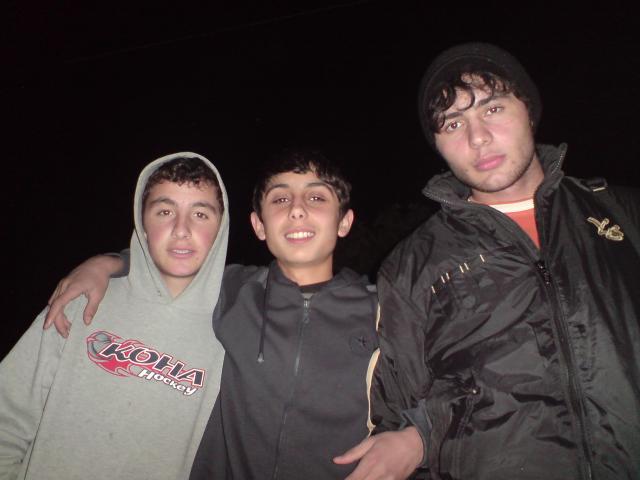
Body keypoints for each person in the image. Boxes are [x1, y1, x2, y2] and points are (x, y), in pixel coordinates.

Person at [340, 42, 640, 479]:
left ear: (529, 111)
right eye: (453, 123)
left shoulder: (623, 214)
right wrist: (418, 437)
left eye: (493, 108)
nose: (477, 137)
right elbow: (397, 417)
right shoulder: (412, 265)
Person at [43, 149, 380, 479]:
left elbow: (408, 401)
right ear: (258, 225)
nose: (296, 210)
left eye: (316, 198)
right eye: (280, 199)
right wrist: (109, 263)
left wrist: (406, 438)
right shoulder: (232, 290)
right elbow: (170, 263)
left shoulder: (381, 311)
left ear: (344, 221)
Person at [0, 153, 229, 480]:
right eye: (164, 212)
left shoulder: (233, 335)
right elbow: (8, 418)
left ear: (220, 229)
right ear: (142, 222)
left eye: (200, 214)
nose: (181, 229)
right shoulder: (82, 298)